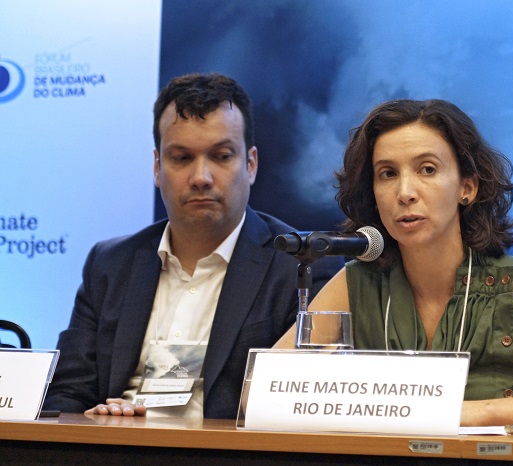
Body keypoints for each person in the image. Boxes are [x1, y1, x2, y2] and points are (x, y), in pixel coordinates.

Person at [275, 99, 513, 427]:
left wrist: (481, 412)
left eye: (427, 169)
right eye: (388, 174)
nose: (405, 192)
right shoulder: (356, 283)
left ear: (467, 187)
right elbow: (259, 391)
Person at [44, 73, 343, 418]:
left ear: (250, 165)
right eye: (182, 158)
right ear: (158, 167)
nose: (201, 177)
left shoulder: (301, 265)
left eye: (221, 156)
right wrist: (93, 422)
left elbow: (303, 406)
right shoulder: (109, 265)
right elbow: (66, 394)